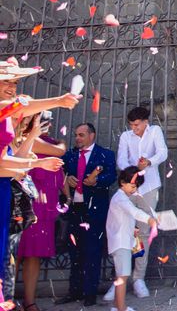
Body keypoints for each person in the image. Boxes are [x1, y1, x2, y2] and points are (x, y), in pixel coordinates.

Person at [109, 107, 167, 300]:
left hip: (149, 187)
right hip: (129, 187)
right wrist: (134, 171)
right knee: (122, 230)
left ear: (145, 122)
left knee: (143, 232)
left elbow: (162, 152)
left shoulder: (155, 131)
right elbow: (121, 159)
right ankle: (119, 279)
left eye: (137, 125)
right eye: (131, 125)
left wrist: (148, 163)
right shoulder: (126, 136)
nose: (134, 128)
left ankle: (138, 278)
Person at [56, 123, 117, 307]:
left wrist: (96, 180)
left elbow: (111, 176)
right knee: (75, 252)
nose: (78, 138)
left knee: (93, 251)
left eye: (81, 135)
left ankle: (90, 293)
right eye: (76, 135)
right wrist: (67, 180)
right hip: (75, 210)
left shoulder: (105, 154)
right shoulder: (70, 155)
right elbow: (59, 173)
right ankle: (74, 291)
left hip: (95, 211)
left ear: (92, 135)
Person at [17, 116, 68, 311]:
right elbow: (60, 150)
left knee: (33, 255)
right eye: (42, 120)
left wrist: (67, 197)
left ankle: (29, 302)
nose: (47, 124)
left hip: (43, 209)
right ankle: (9, 300)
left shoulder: (46, 142)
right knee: (15, 254)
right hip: (24, 205)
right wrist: (61, 143)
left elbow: (60, 175)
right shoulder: (28, 141)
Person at [106, 166, 157, 311]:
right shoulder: (121, 198)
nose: (134, 190)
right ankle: (121, 308)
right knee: (123, 276)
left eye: (136, 187)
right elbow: (133, 212)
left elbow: (121, 219)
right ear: (123, 182)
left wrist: (132, 228)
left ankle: (117, 306)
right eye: (133, 186)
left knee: (120, 276)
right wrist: (150, 220)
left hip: (121, 241)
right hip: (120, 242)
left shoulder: (120, 197)